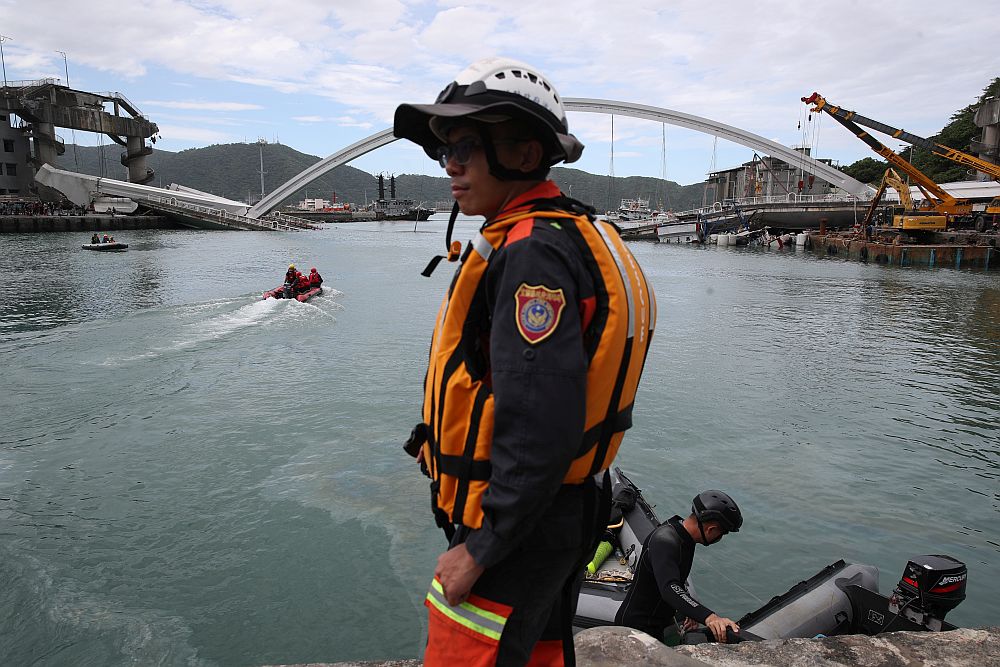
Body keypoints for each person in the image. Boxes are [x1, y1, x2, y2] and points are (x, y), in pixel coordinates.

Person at [394, 57, 656, 666]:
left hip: (517, 529)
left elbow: (541, 419)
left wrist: (482, 547)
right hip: (558, 512)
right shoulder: (570, 232)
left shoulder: (532, 253)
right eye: (443, 151)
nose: (449, 164)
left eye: (464, 145)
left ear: (521, 152)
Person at [615, 490, 743, 644]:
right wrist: (709, 617)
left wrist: (689, 609)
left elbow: (675, 578)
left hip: (656, 625)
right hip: (636, 627)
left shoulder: (685, 538)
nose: (720, 538)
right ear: (712, 529)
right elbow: (669, 587)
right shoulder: (665, 541)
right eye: (722, 533)